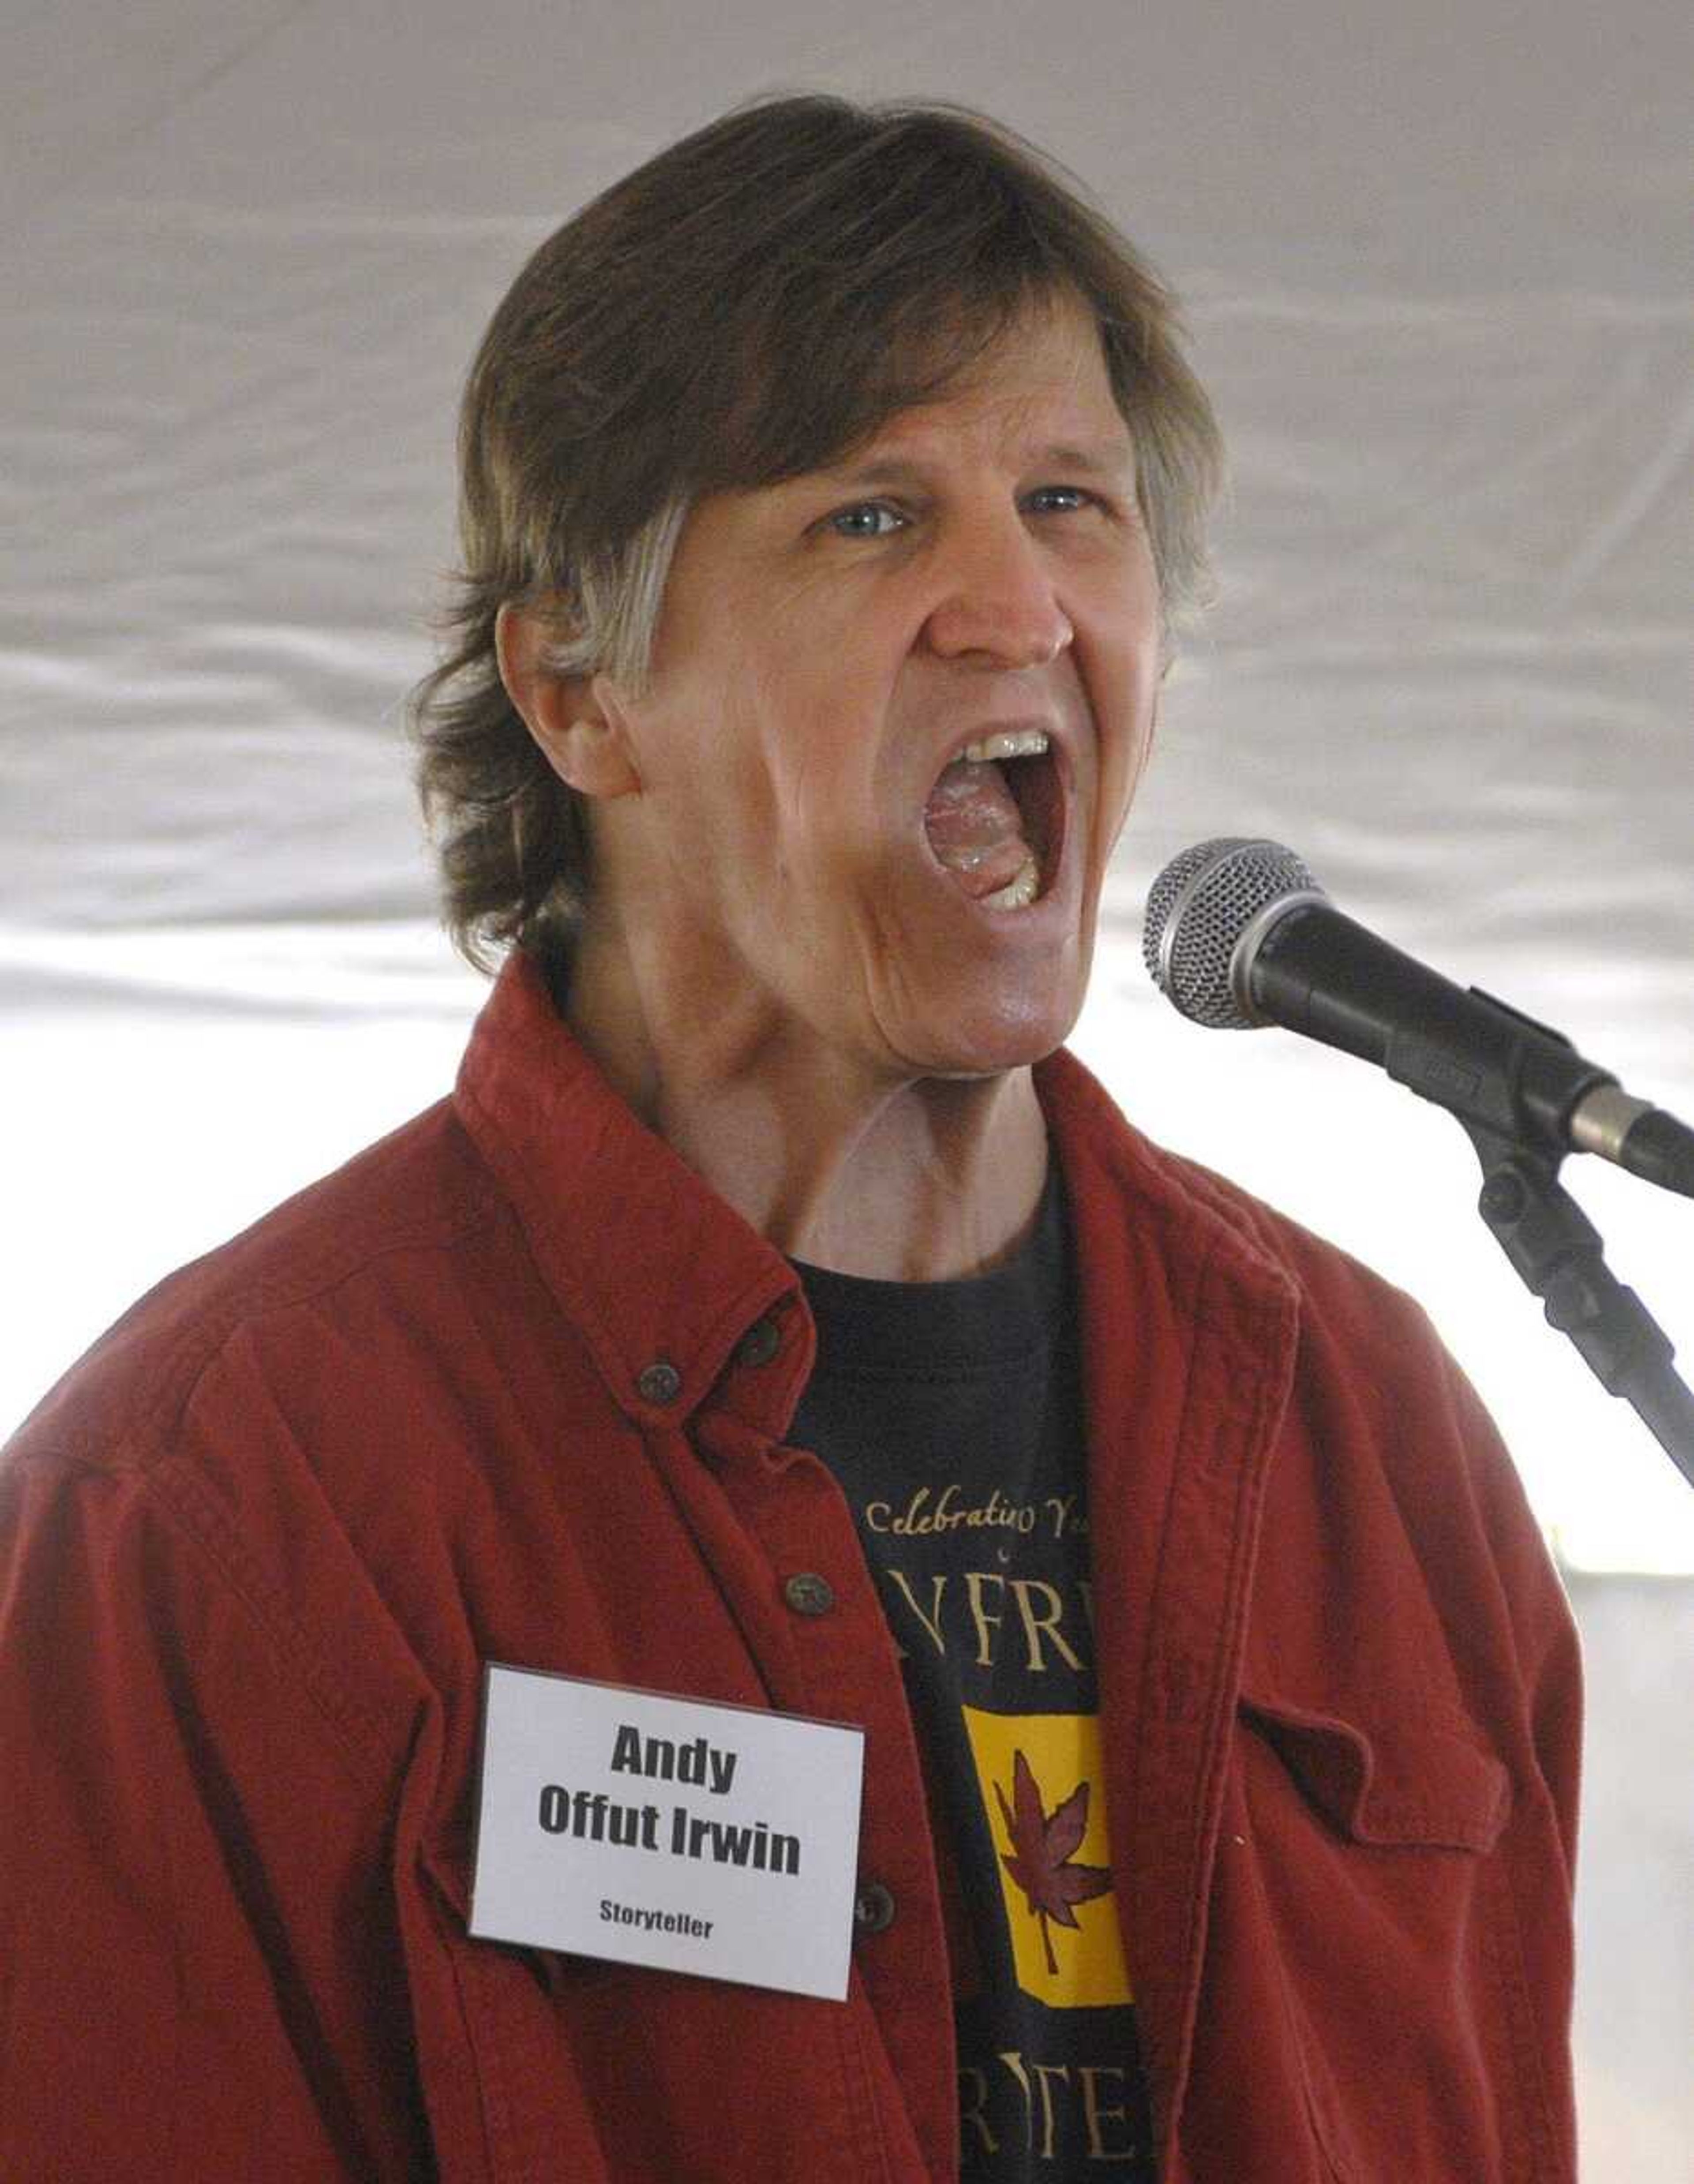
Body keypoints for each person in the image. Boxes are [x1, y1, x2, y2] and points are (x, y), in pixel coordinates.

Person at [0, 95, 1580, 2183]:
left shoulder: (1386, 1441)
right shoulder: (216, 1501)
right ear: (579, 690)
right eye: (869, 515)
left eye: (1071, 501)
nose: (1015, 603)